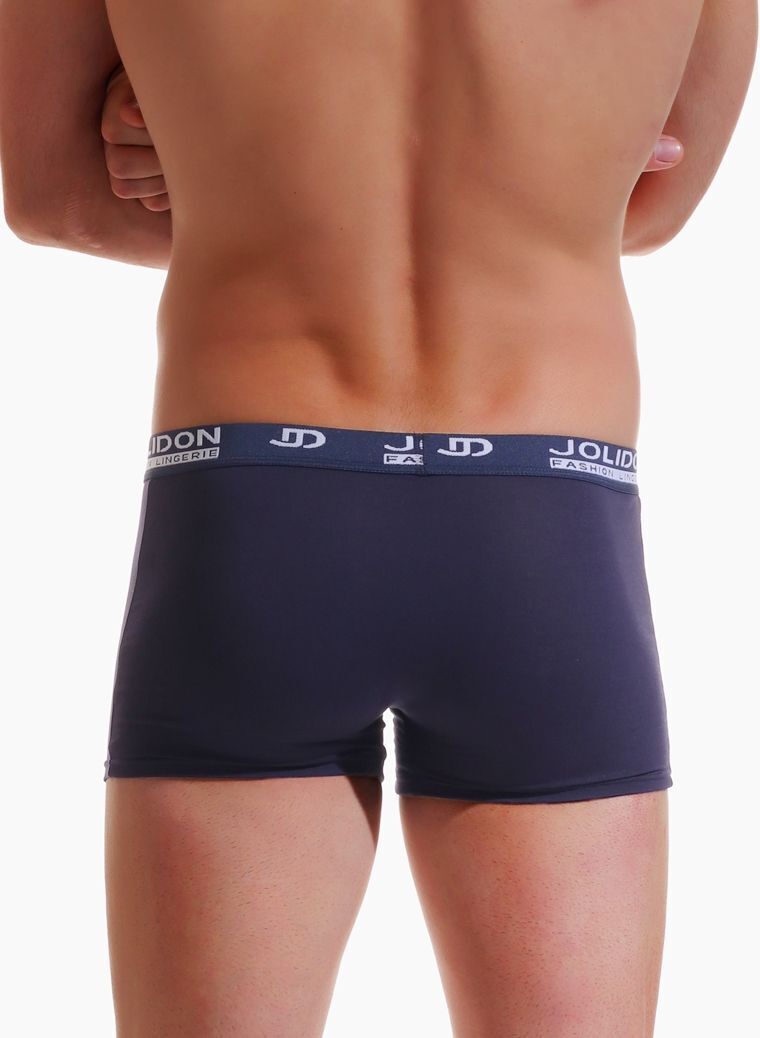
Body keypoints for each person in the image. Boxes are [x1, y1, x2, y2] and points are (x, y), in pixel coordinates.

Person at [0, 2, 756, 1035]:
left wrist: (238, 175)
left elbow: (53, 196)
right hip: (543, 519)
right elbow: (653, 207)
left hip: (254, 503)